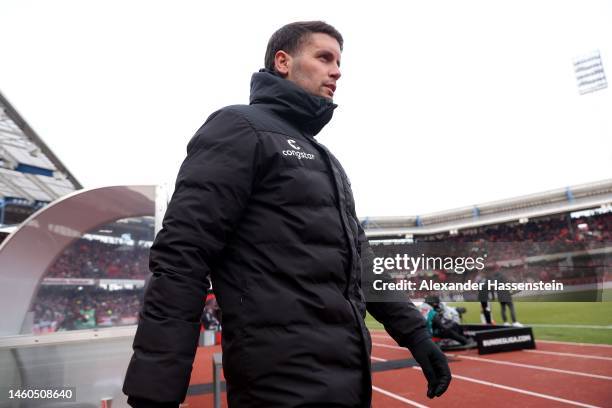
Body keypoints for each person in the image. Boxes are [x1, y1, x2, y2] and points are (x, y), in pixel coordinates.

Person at [123, 21, 451, 407]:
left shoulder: (326, 159)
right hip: (279, 384)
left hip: (346, 377)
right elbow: (182, 254)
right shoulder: (239, 127)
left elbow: (361, 264)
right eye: (324, 57)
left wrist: (416, 336)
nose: (337, 70)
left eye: (339, 61)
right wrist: (155, 388)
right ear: (283, 61)